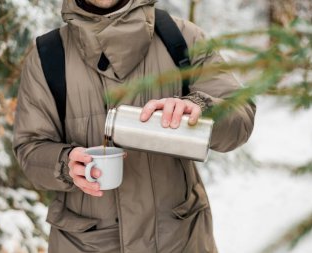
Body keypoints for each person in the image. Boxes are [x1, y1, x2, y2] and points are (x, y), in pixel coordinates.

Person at [13, 0, 256, 252]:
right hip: (84, 244)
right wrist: (64, 164)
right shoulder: (47, 56)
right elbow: (30, 148)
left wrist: (201, 108)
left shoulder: (182, 38)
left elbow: (241, 117)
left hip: (181, 240)